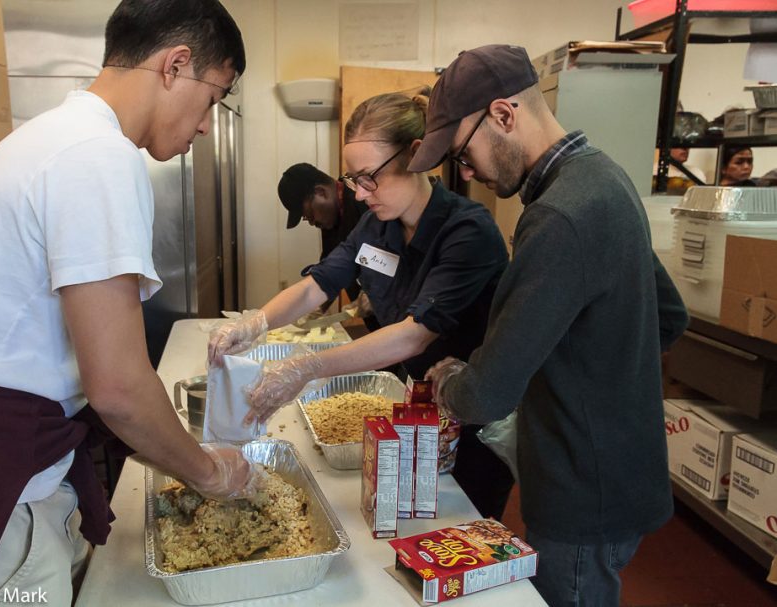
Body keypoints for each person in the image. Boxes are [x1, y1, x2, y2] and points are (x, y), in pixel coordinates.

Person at [0, 1, 258, 604]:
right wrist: (212, 473)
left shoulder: (52, 137)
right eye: (215, 97)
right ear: (176, 65)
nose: (208, 124)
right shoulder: (95, 156)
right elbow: (119, 389)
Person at [407, 45, 689, 606]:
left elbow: (485, 394)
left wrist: (450, 378)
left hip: (582, 492)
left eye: (463, 155)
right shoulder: (605, 178)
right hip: (618, 473)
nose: (467, 173)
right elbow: (669, 317)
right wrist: (592, 376)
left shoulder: (558, 216)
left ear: (504, 115)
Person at [210, 91, 516, 520]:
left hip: (471, 422)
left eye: (369, 176)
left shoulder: (468, 231)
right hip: (418, 405)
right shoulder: (378, 224)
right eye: (353, 179)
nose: (358, 193)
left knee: (462, 531)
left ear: (416, 156)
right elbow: (317, 285)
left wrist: (307, 368)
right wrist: (254, 323)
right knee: (406, 528)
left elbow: (414, 333)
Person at [277, 162, 369, 306]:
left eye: (311, 215)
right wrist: (316, 308)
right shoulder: (330, 218)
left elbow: (390, 257)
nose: (313, 223)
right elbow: (329, 267)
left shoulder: (363, 202)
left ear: (321, 192)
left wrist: (375, 292)